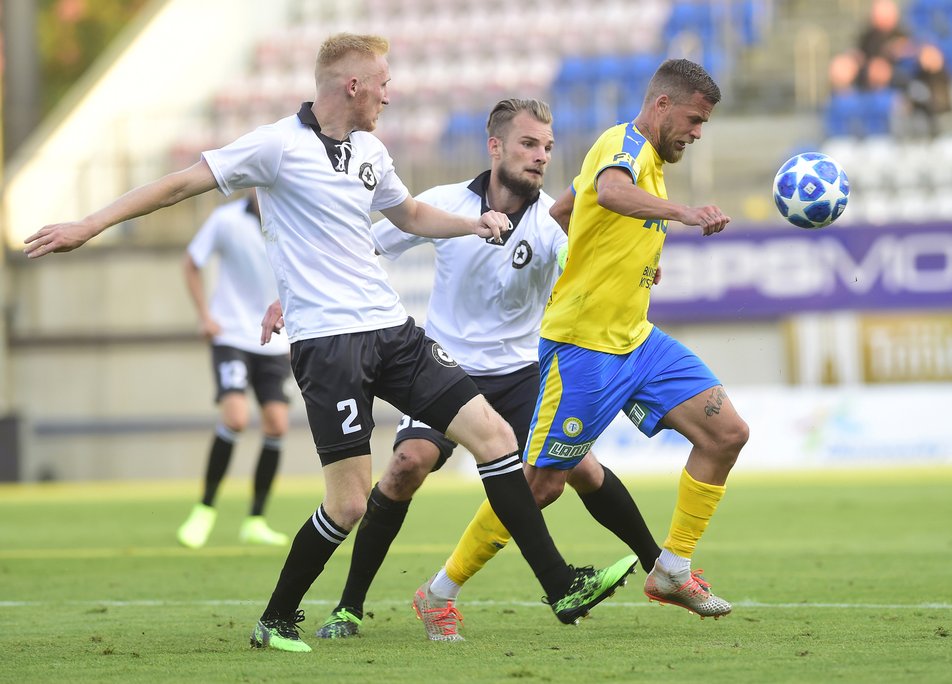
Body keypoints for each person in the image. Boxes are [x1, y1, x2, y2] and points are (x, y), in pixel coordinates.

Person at [23, 33, 636, 653]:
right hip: (329, 347)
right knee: (346, 505)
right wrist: (88, 224)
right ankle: (277, 617)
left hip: (392, 331)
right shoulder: (275, 147)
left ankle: (559, 586)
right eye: (384, 83)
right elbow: (181, 184)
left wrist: (470, 223)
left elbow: (410, 217)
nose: (390, 95)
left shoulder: (371, 150)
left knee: (496, 438)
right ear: (353, 86)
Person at [260, 98, 661, 642]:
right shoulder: (444, 203)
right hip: (445, 365)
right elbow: (360, 250)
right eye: (527, 144)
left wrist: (630, 275)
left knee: (580, 468)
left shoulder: (552, 224)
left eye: (547, 147)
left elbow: (587, 272)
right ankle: (349, 607)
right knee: (405, 466)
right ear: (494, 146)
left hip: (520, 370)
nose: (541, 156)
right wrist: (292, 297)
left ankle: (661, 568)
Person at [423, 58, 748, 622]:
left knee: (727, 433)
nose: (697, 133)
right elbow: (613, 193)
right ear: (662, 105)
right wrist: (682, 215)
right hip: (583, 348)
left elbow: (569, 208)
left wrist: (628, 257)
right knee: (544, 484)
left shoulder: (649, 158)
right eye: (694, 120)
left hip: (638, 340)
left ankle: (671, 569)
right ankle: (439, 592)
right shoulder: (621, 144)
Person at [175, 189, 292, 549]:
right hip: (230, 335)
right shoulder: (226, 220)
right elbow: (191, 262)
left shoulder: (290, 219)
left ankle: (255, 519)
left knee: (276, 423)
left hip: (273, 341)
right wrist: (204, 317)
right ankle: (204, 511)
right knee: (236, 417)